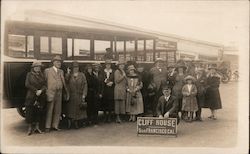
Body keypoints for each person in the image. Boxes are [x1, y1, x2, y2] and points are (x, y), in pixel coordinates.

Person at [44, 55, 69, 132]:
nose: (59, 63)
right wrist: (46, 91)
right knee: (49, 110)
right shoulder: (47, 71)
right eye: (57, 62)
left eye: (60, 62)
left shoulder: (61, 71)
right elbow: (44, 82)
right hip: (51, 93)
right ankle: (47, 127)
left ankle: (55, 125)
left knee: (58, 110)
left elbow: (65, 81)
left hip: (59, 92)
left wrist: (67, 74)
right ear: (53, 62)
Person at [25, 60, 47, 135]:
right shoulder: (29, 74)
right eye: (36, 67)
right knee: (29, 112)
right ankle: (30, 128)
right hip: (31, 96)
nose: (37, 68)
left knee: (39, 111)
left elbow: (45, 85)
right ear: (33, 68)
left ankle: (37, 127)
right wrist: (36, 91)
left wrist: (41, 90)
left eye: (39, 67)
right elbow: (27, 84)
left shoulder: (42, 75)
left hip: (40, 96)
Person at [65, 61, 88, 129]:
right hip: (71, 95)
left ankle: (76, 123)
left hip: (79, 95)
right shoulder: (69, 75)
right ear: (72, 68)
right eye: (74, 67)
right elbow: (66, 82)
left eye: (77, 67)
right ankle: (70, 123)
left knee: (78, 110)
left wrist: (84, 94)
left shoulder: (82, 75)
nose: (76, 68)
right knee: (70, 110)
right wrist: (68, 73)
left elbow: (85, 85)